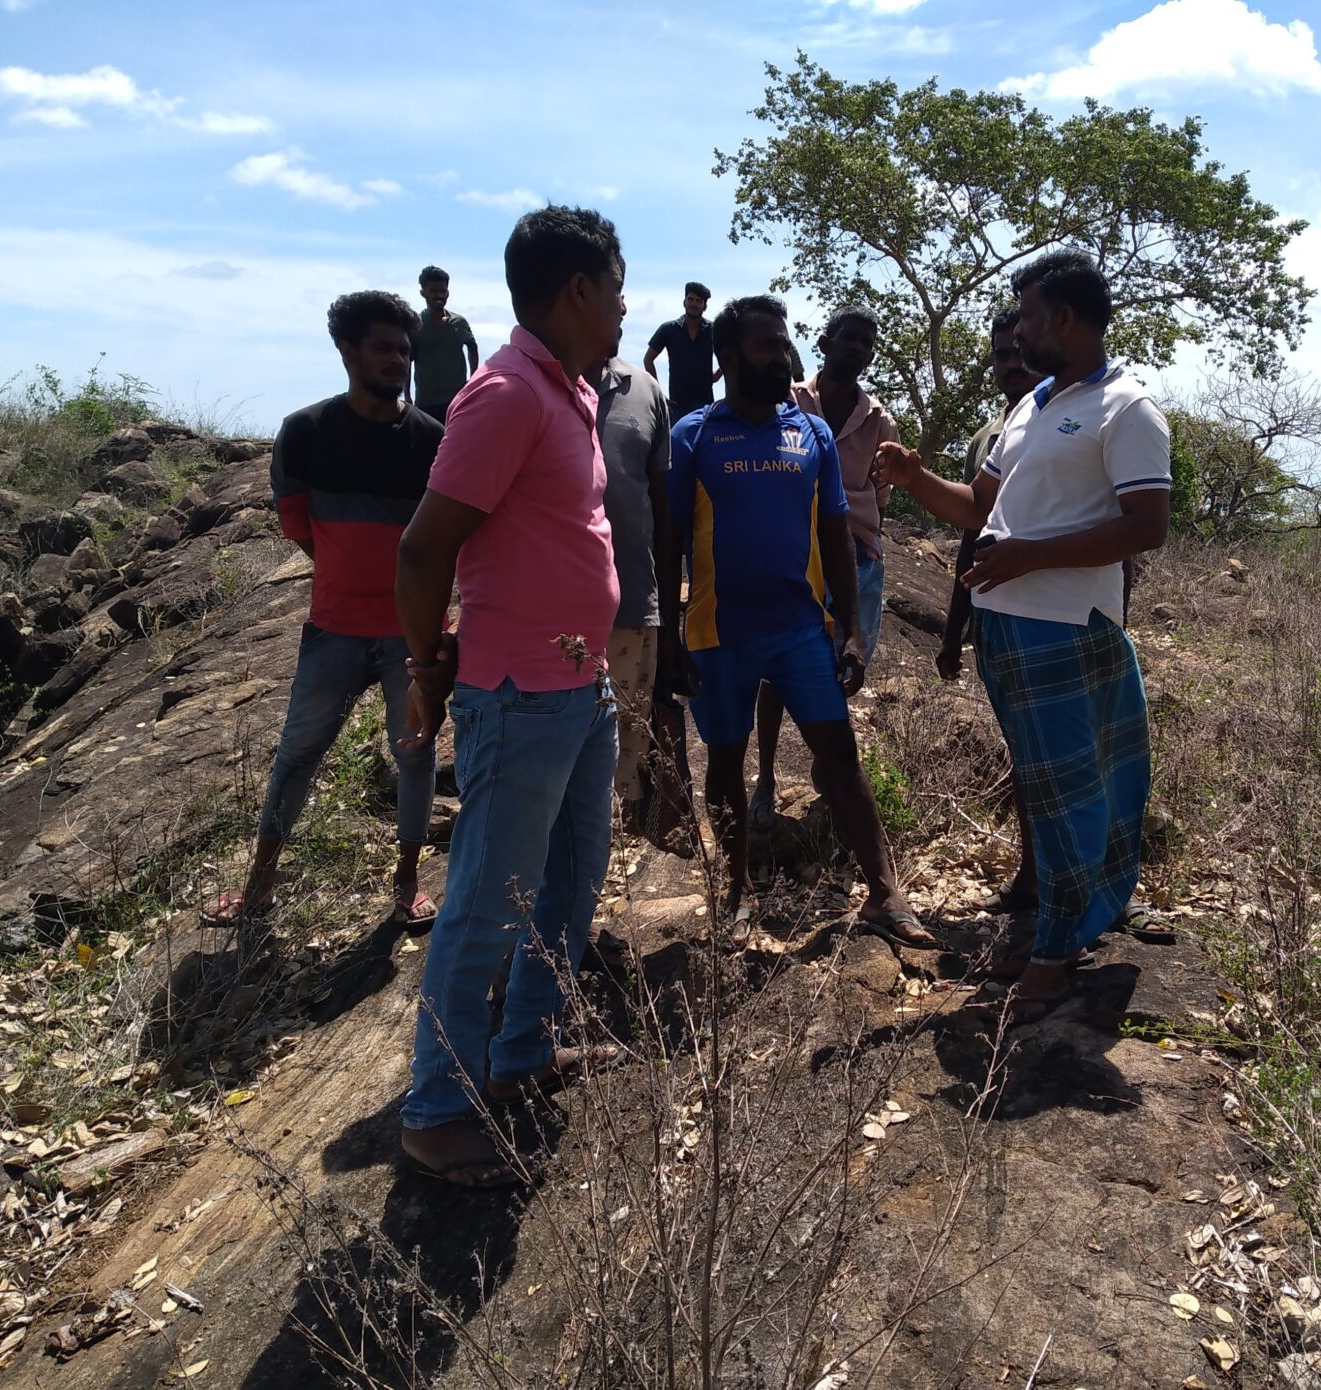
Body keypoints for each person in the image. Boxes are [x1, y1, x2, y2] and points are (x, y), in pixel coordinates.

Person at [875, 250, 1170, 1022]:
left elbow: (1147, 526)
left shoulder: (1126, 409)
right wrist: (913, 477)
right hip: (1006, 629)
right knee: (1043, 792)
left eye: (1030, 317)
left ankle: (1055, 955)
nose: (1018, 333)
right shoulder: (1032, 407)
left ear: (1064, 319)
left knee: (1071, 796)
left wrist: (1030, 556)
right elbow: (979, 509)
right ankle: (1055, 932)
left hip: (1068, 628)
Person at [394, 206, 626, 1187]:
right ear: (578, 291)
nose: (624, 309)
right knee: (488, 901)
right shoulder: (504, 394)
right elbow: (423, 550)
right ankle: (437, 1109)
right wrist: (427, 669)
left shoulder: (569, 390)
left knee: (571, 879)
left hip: (580, 685)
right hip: (517, 696)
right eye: (616, 289)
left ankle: (524, 1048)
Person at [663, 294, 930, 949]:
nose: (783, 357)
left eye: (785, 345)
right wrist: (668, 637)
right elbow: (666, 543)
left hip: (801, 632)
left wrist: (852, 630)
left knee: (839, 756)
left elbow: (837, 534)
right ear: (729, 357)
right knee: (724, 763)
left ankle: (884, 895)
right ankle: (735, 896)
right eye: (767, 346)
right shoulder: (693, 434)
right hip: (718, 633)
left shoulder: (810, 434)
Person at [203, 291, 442, 932]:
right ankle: (258, 886)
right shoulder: (305, 432)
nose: (398, 360)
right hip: (334, 628)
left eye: (404, 350)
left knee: (415, 754)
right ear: (347, 352)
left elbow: (444, 539)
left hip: (410, 634)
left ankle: (407, 881)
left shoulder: (430, 440)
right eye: (383, 348)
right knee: (297, 755)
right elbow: (298, 526)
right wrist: (349, 571)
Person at [749, 306, 899, 832]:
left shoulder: (879, 421)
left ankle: (825, 765)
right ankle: (765, 778)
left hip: (855, 557)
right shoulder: (789, 400)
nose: (858, 349)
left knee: (844, 666)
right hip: (792, 554)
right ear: (826, 341)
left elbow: (879, 496)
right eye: (849, 338)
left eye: (867, 342)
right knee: (775, 671)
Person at [936, 306, 1041, 913]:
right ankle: (1033, 875)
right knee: (1025, 754)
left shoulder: (1081, 418)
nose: (1012, 365)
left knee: (1081, 760)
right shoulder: (987, 439)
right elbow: (972, 536)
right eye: (1001, 355)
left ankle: (1106, 887)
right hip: (999, 621)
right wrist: (954, 634)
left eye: (1020, 352)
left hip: (1064, 619)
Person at [585, 345, 687, 848]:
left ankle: (597, 879)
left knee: (621, 764)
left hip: (632, 607)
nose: (622, 309)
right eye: (613, 302)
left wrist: (668, 625)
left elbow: (663, 514)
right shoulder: (524, 385)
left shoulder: (646, 392)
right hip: (547, 621)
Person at [410, 265, 479, 421]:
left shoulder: (459, 322)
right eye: (434, 291)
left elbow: (472, 348)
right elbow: (407, 360)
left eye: (443, 291)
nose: (439, 295)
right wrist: (407, 395)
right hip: (426, 402)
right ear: (423, 292)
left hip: (457, 400)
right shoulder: (416, 324)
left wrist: (473, 380)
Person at [643, 281, 716, 421]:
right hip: (677, 406)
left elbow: (731, 353)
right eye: (690, 299)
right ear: (684, 302)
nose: (694, 304)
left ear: (705, 306)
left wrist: (717, 375)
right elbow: (648, 359)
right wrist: (659, 395)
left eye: (698, 301)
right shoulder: (668, 329)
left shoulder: (713, 330)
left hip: (705, 406)